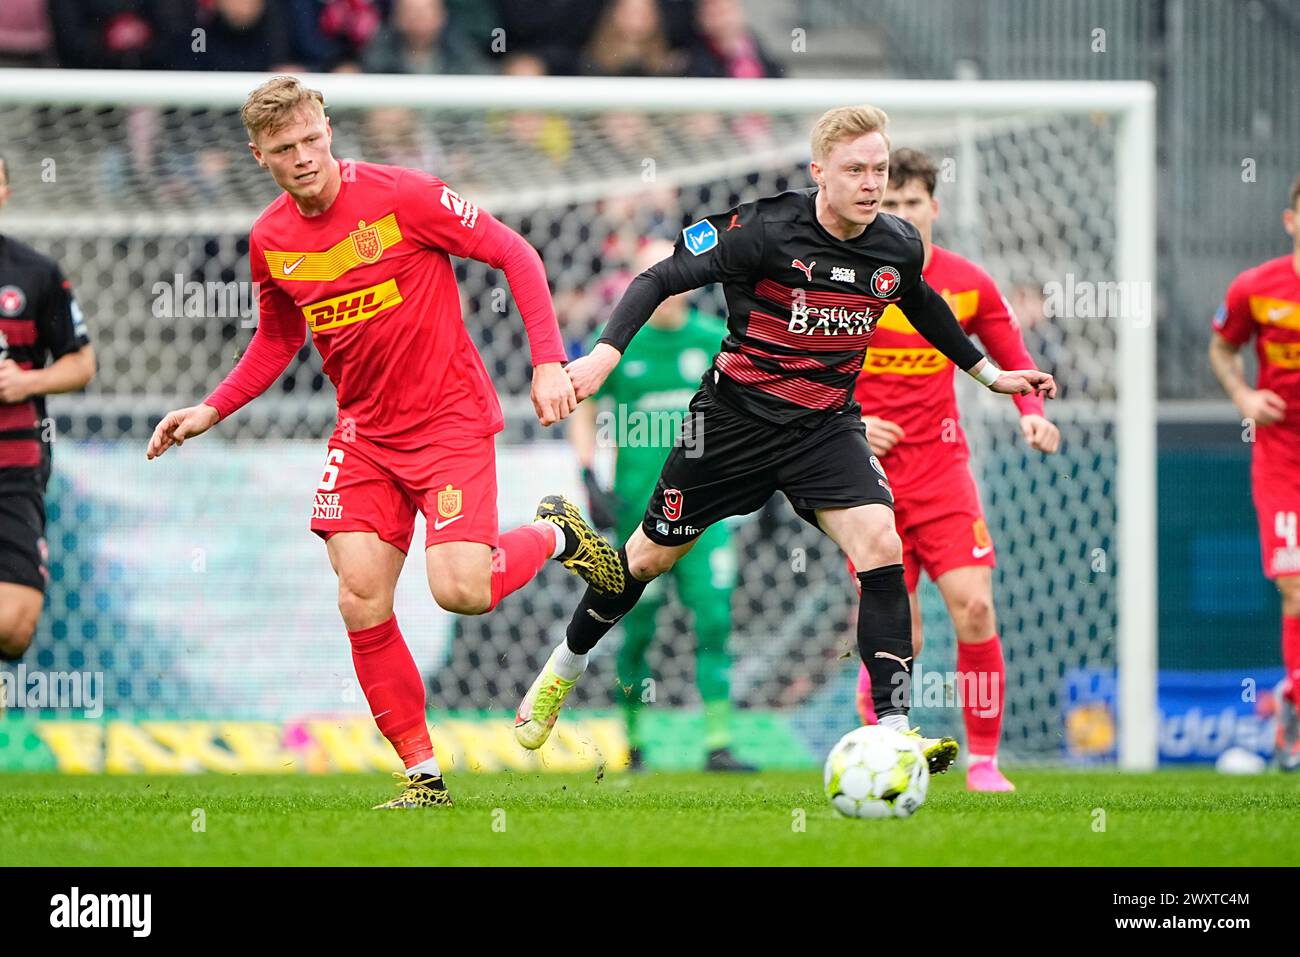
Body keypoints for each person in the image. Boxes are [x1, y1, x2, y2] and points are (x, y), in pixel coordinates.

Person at [512, 105, 1056, 775]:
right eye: (855, 169)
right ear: (818, 172)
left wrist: (990, 374)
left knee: (880, 543)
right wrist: (602, 356)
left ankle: (891, 729)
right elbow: (661, 277)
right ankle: (564, 665)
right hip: (733, 424)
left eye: (879, 170)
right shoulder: (763, 229)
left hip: (822, 429)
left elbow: (921, 302)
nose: (870, 183)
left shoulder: (895, 244)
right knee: (647, 559)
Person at [146, 77, 620, 808]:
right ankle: (423, 776)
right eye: (284, 149)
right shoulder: (270, 240)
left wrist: (548, 359)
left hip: (450, 420)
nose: (304, 157)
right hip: (365, 435)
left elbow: (516, 254)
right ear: (259, 156)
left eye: (311, 139)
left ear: (328, 128)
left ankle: (555, 533)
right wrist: (213, 407)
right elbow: (277, 340)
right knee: (361, 596)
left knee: (461, 590)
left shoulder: (404, 196)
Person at [852, 148, 1060, 792]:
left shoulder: (967, 281)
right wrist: (855, 424)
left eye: (911, 203)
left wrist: (1030, 410)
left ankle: (985, 762)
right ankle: (888, 753)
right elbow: (807, 367)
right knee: (899, 629)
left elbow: (1010, 352)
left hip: (943, 470)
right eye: (887, 203)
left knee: (973, 608)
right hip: (863, 478)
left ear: (933, 209)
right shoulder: (844, 280)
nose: (899, 214)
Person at [572, 238, 754, 772]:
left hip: (706, 511)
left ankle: (718, 742)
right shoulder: (620, 346)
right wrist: (589, 477)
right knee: (634, 626)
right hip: (638, 514)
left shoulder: (715, 340)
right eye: (649, 270)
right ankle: (632, 740)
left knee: (715, 617)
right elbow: (583, 406)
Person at [1209, 172, 1300, 771]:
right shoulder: (1256, 288)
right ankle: (1293, 720)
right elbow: (1221, 346)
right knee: (1294, 584)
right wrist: (1243, 397)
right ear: (1291, 220)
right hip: (1282, 457)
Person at [0, 154, 97, 663]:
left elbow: (82, 363)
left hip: (13, 466)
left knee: (15, 627)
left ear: (6, 192)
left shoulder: (34, 273)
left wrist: (27, 380)